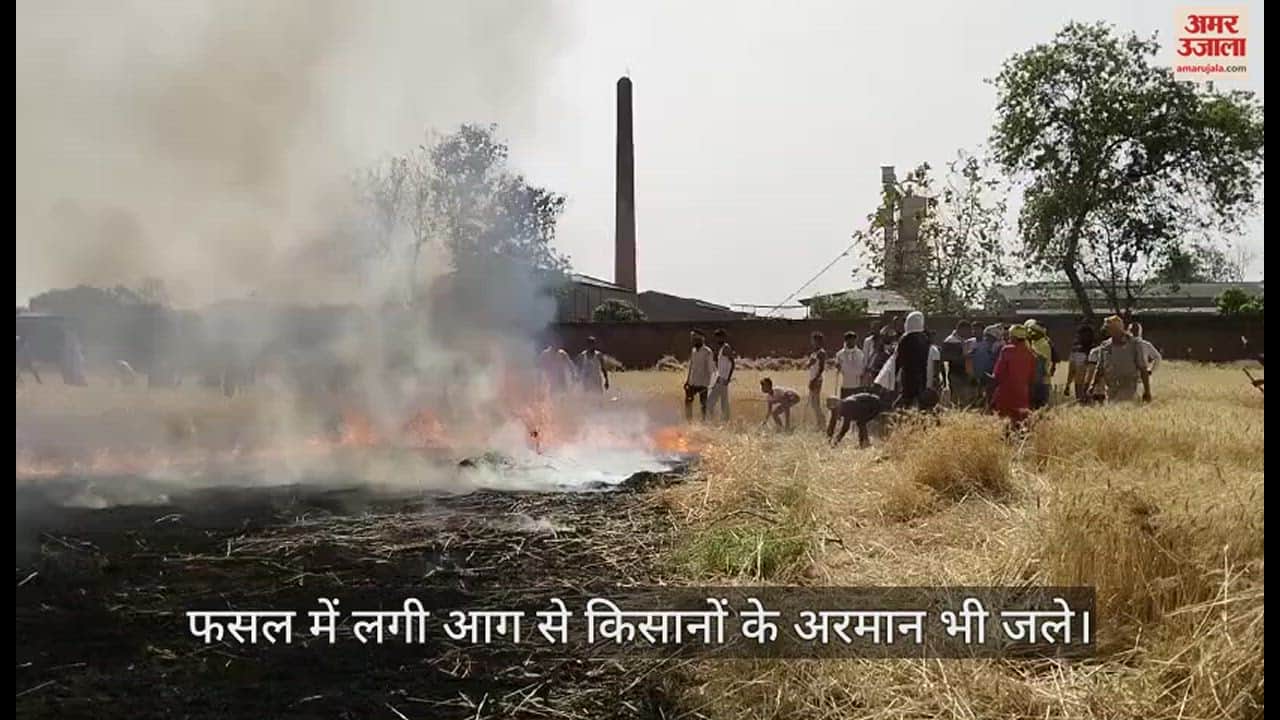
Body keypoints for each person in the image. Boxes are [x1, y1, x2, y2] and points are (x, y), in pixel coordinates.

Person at [1090, 315, 1152, 403]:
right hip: (1111, 388)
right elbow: (1100, 368)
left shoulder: (1134, 344)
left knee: (1123, 407)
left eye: (1109, 328)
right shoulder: (1105, 346)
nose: (1106, 331)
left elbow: (1143, 368)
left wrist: (1147, 391)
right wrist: (1093, 385)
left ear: (1117, 328)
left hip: (1129, 387)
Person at [992, 324, 1038, 430]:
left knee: (1005, 423)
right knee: (1021, 423)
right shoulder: (1030, 353)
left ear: (1013, 337)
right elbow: (1032, 377)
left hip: (1007, 392)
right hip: (1022, 393)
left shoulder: (1007, 350)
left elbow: (998, 372)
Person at [826, 386, 891, 448]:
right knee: (860, 421)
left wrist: (836, 441)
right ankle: (864, 442)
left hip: (874, 404)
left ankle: (865, 442)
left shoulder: (847, 406)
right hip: (867, 404)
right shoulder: (839, 407)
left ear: (838, 405)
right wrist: (828, 438)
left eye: (834, 410)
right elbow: (832, 422)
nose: (834, 412)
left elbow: (845, 427)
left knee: (861, 422)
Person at [894, 311, 932, 410]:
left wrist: (895, 372)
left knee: (907, 398)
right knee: (921, 399)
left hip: (908, 374)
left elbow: (899, 358)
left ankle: (898, 414)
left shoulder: (905, 339)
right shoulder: (925, 338)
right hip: (922, 374)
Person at [684, 330, 716, 421]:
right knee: (688, 401)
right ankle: (689, 421)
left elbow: (711, 368)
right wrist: (687, 381)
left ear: (701, 340)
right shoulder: (693, 351)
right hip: (692, 382)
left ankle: (704, 421)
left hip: (703, 383)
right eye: (693, 339)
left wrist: (711, 383)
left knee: (703, 404)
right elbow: (691, 366)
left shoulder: (707, 352)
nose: (693, 341)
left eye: (695, 339)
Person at [941, 321, 974, 408]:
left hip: (964, 374)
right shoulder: (951, 341)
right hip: (956, 374)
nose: (969, 333)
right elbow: (947, 357)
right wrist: (964, 357)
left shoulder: (963, 341)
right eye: (968, 330)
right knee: (957, 399)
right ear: (961, 329)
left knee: (965, 399)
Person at [970, 324, 1002, 409]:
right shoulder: (981, 346)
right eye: (986, 336)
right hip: (982, 376)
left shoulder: (999, 347)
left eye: (988, 336)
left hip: (994, 377)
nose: (986, 339)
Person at [706, 329, 736, 421]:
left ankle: (714, 422)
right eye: (716, 338)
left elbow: (732, 363)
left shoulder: (726, 348)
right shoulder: (721, 349)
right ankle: (723, 422)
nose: (717, 340)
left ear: (722, 337)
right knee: (723, 402)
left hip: (723, 380)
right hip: (720, 379)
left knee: (710, 402)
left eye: (718, 337)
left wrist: (728, 379)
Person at [1064, 321, 1096, 403]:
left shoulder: (1097, 351)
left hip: (1088, 387)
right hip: (1085, 386)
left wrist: (1068, 385)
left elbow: (1071, 371)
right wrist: (1067, 385)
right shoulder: (1077, 351)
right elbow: (1072, 370)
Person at [805, 332, 828, 428]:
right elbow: (808, 365)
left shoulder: (821, 352)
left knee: (815, 403)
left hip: (816, 380)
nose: (813, 342)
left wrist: (814, 380)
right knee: (813, 403)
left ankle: (822, 423)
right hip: (812, 378)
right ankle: (820, 422)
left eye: (814, 340)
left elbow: (821, 368)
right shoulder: (814, 353)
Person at [834, 331, 865, 399]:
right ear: (846, 340)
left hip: (857, 385)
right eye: (849, 340)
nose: (851, 342)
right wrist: (837, 366)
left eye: (853, 340)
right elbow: (838, 368)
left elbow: (862, 369)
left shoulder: (860, 353)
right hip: (845, 385)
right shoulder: (840, 354)